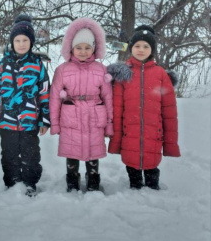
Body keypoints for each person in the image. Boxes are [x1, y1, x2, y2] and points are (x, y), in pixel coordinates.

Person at [0, 14, 50, 197]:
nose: (21, 44)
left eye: (25, 40)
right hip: (6, 121)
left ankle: (29, 183)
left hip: (30, 121)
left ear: (31, 42)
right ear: (12, 42)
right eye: (17, 40)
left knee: (31, 155)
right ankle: (12, 182)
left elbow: (44, 93)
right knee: (9, 154)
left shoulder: (37, 66)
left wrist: (45, 119)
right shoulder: (2, 65)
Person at [108, 25, 180, 190]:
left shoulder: (160, 74)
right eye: (137, 46)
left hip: (154, 130)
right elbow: (117, 108)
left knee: (151, 159)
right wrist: (116, 136)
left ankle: (152, 185)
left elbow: (169, 111)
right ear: (131, 48)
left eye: (146, 46)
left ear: (152, 50)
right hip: (129, 130)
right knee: (131, 158)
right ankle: (135, 185)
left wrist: (170, 142)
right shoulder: (123, 73)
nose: (141, 50)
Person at [50, 18, 114, 192]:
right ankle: (72, 180)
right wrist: (54, 123)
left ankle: (93, 179)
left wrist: (109, 124)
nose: (83, 52)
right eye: (79, 47)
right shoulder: (62, 70)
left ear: (94, 48)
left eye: (87, 47)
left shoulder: (101, 69)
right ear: (71, 48)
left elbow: (108, 98)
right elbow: (55, 97)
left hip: (95, 117)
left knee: (93, 151)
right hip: (71, 117)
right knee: (72, 152)